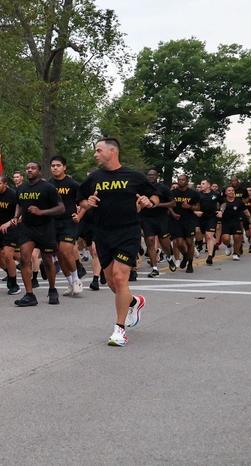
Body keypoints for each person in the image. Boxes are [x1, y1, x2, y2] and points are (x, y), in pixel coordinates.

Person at [77, 137, 158, 347]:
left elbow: (154, 196)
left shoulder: (133, 176)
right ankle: (134, 302)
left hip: (127, 232)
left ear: (112, 151)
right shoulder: (94, 178)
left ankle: (119, 330)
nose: (95, 154)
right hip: (103, 233)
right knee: (112, 282)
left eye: (98, 150)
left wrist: (149, 201)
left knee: (120, 277)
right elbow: (82, 199)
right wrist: (89, 202)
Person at [13, 161, 64, 307]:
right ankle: (29, 295)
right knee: (24, 259)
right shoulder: (21, 188)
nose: (29, 170)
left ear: (39, 172)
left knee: (47, 260)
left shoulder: (48, 187)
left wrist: (42, 212)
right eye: (27, 168)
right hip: (27, 228)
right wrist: (16, 217)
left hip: (45, 228)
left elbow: (61, 208)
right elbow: (19, 204)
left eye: (33, 168)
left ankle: (52, 290)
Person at [49, 156, 84, 293]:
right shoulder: (48, 185)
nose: (55, 168)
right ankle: (70, 283)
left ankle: (76, 279)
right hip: (52, 223)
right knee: (58, 255)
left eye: (58, 165)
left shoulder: (73, 185)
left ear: (64, 167)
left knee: (65, 251)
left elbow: (84, 203)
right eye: (53, 165)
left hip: (68, 222)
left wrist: (79, 215)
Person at [0, 173, 20, 295]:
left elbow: (20, 214)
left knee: (7, 254)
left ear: (5, 184)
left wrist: (9, 223)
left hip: (11, 226)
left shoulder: (13, 195)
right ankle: (10, 272)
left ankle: (13, 283)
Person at [141, 169, 174, 277]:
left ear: (157, 176)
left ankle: (169, 256)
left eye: (153, 175)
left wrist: (157, 204)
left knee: (164, 243)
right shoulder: (142, 188)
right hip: (146, 218)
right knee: (150, 241)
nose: (151, 177)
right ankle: (155, 269)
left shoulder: (163, 188)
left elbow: (173, 203)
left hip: (161, 218)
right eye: (149, 175)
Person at [195, 179, 222, 265]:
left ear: (208, 185)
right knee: (198, 232)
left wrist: (221, 211)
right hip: (200, 217)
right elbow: (192, 206)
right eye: (200, 184)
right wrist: (196, 212)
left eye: (203, 184)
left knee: (209, 235)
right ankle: (200, 244)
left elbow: (223, 203)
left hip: (212, 217)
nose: (201, 185)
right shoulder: (198, 195)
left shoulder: (215, 194)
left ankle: (210, 257)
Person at [217, 186, 247, 261]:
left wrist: (250, 220)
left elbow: (245, 211)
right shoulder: (222, 201)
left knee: (237, 238)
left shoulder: (239, 201)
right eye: (229, 190)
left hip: (236, 222)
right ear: (226, 192)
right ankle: (228, 245)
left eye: (232, 190)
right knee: (226, 239)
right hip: (226, 222)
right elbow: (218, 210)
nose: (231, 192)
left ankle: (235, 253)